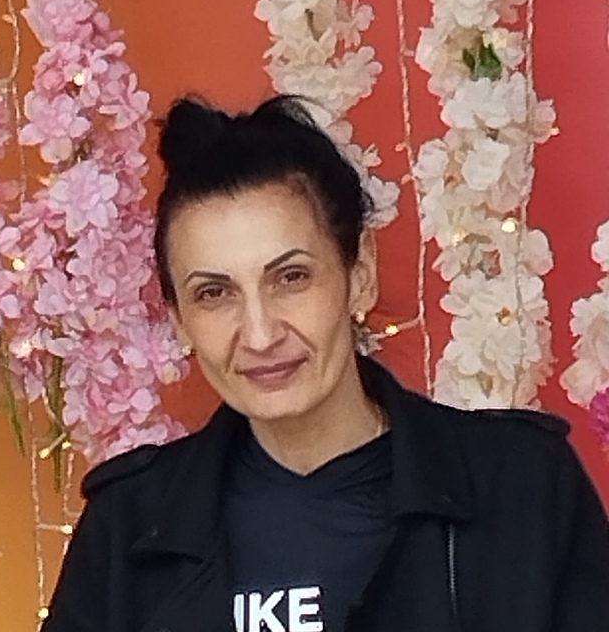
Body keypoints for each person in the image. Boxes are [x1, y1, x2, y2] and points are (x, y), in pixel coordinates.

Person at [42, 95, 609, 632]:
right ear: (179, 319)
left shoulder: (524, 485)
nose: (260, 334)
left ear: (359, 276)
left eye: (291, 278)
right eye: (214, 293)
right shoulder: (126, 527)